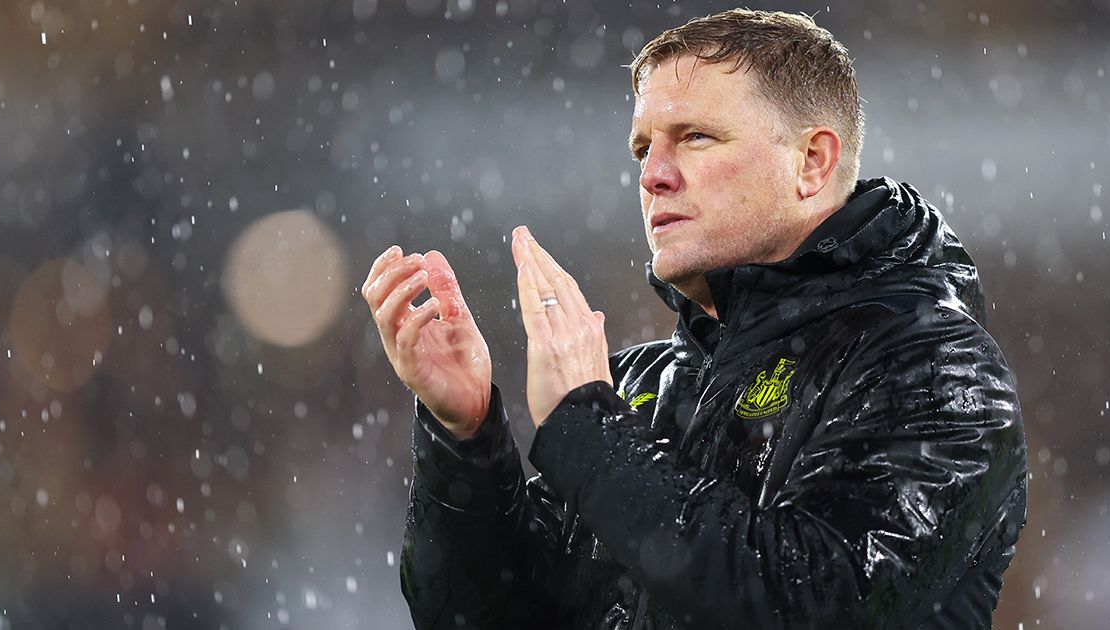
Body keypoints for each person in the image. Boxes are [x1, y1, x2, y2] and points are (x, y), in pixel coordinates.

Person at [361, 9, 1027, 629]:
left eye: (696, 138)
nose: (653, 175)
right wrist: (467, 439)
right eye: (642, 148)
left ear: (812, 163)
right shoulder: (636, 385)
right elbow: (479, 616)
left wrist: (591, 430)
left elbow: (814, 604)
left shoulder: (938, 368)